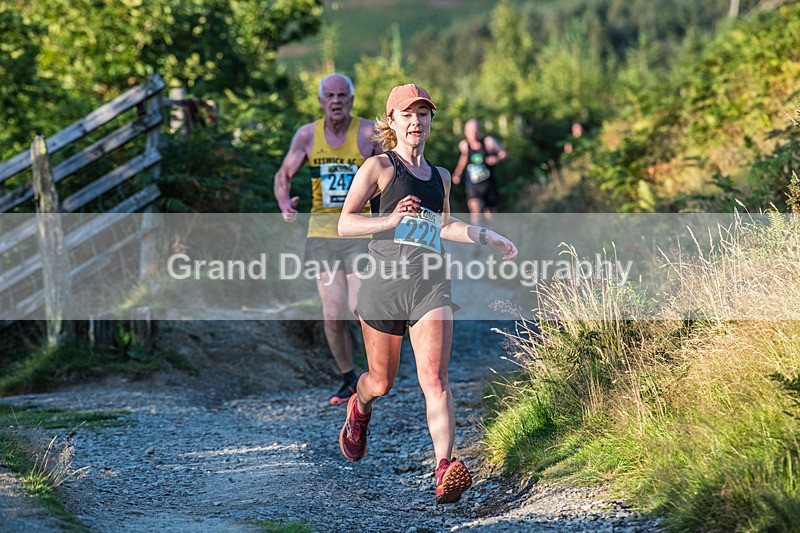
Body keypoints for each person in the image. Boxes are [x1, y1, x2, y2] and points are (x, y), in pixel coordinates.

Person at [337, 84, 518, 504]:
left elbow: (444, 225)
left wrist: (486, 235)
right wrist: (390, 220)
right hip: (384, 285)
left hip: (429, 284)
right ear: (392, 122)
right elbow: (345, 224)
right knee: (381, 383)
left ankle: (443, 468)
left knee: (434, 378)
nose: (416, 121)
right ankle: (358, 407)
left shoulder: (439, 176)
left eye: (423, 114)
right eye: (408, 114)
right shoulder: (379, 168)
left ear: (431, 121)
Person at [273, 73, 382, 405]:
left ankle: (379, 372)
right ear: (321, 101)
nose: (336, 101)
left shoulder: (368, 133)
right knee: (333, 313)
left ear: (351, 99)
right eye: (330, 96)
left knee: (359, 305)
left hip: (360, 231)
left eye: (342, 95)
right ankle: (350, 378)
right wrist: (283, 202)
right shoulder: (308, 135)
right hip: (322, 234)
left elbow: (393, 173)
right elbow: (283, 174)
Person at [451, 118, 507, 227]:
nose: (473, 134)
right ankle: (476, 238)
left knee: (490, 216)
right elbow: (463, 158)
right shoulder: (464, 145)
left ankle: (491, 237)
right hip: (473, 186)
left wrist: (496, 158)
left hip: (489, 185)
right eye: (470, 131)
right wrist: (457, 173)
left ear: (479, 130)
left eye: (475, 130)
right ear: (465, 132)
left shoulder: (488, 142)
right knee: (475, 211)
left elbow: (503, 153)